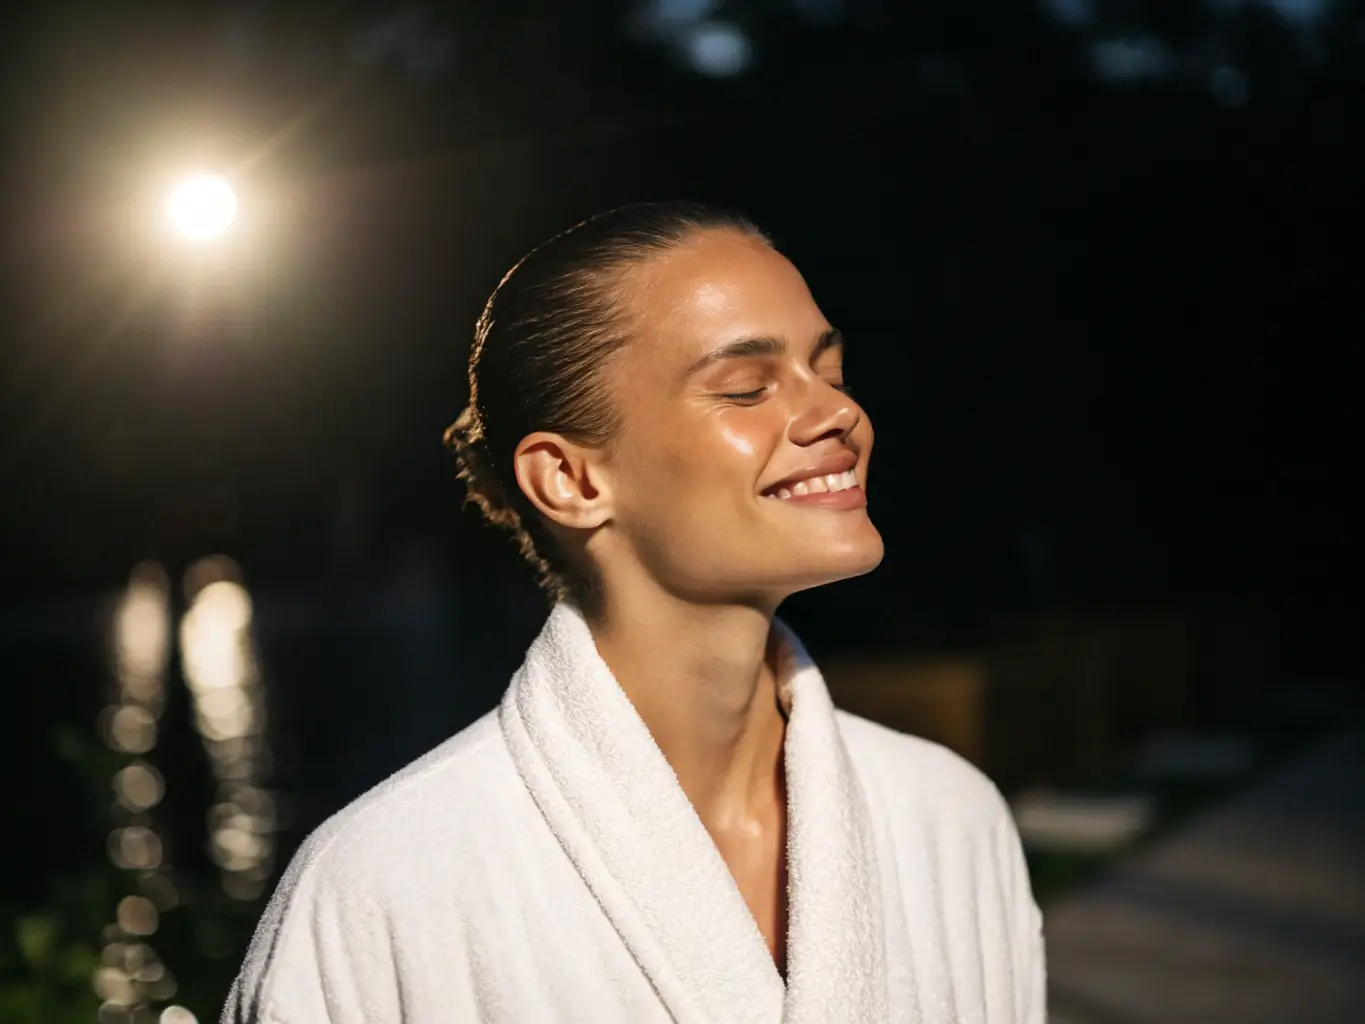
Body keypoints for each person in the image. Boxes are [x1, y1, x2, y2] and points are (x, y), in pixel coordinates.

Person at [222, 202, 1046, 1023]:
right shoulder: (381, 889)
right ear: (572, 481)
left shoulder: (948, 818)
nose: (839, 414)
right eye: (746, 387)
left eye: (829, 373)